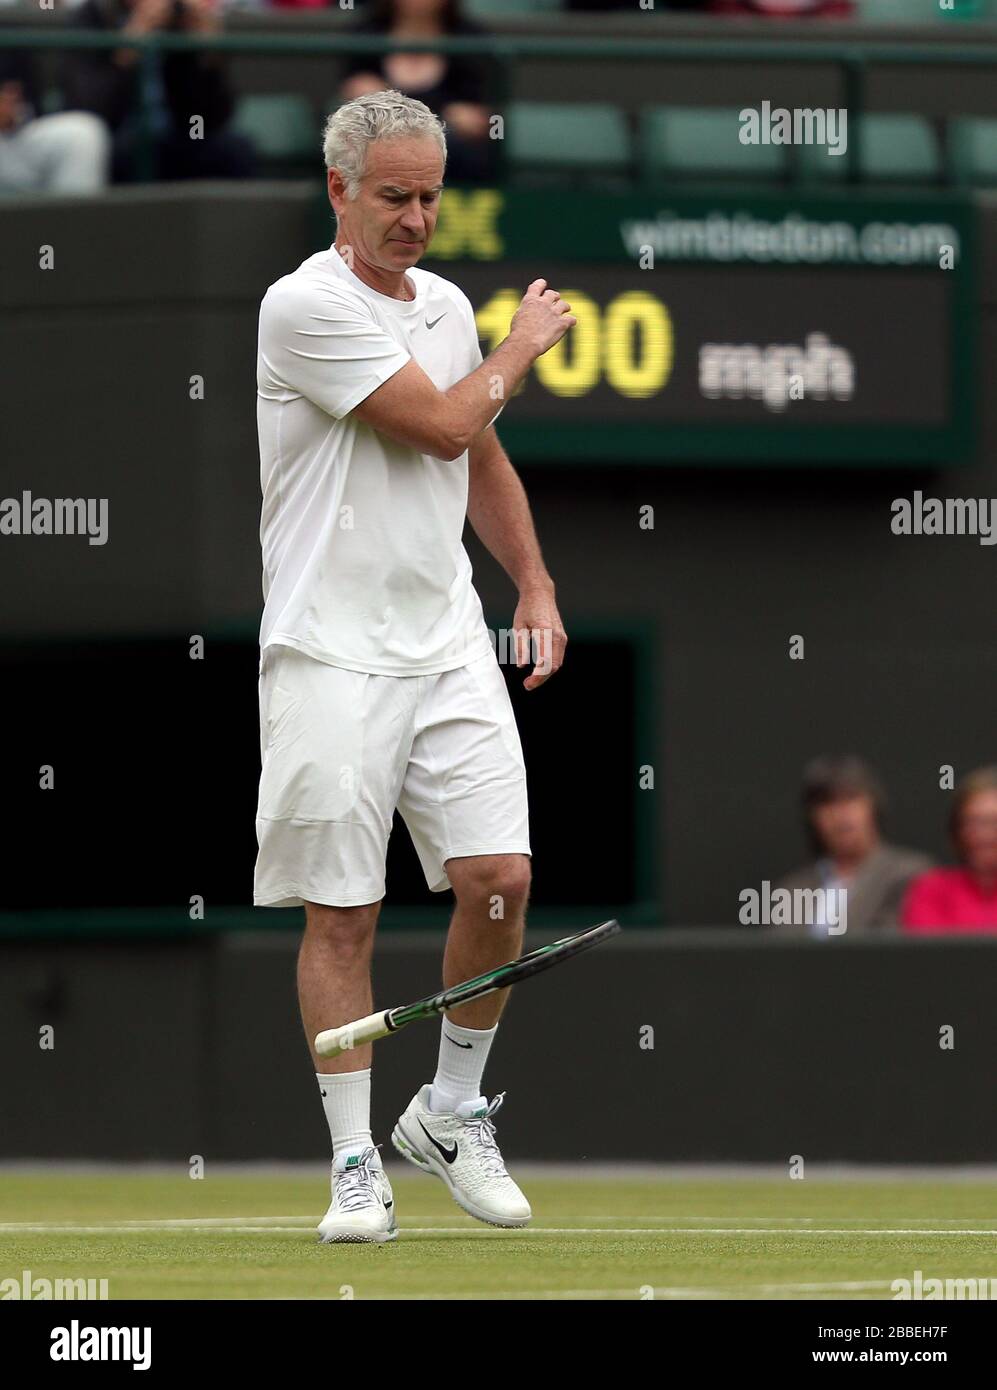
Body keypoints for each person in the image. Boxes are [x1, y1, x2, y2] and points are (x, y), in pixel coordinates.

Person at [255, 90, 573, 1242]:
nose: (417, 218)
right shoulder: (299, 307)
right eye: (394, 196)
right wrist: (523, 348)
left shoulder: (441, 304)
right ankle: (353, 1161)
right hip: (326, 649)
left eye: (432, 195)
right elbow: (443, 424)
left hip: (443, 643)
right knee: (341, 917)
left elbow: (476, 457)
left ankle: (447, 1111)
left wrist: (530, 582)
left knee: (500, 880)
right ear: (338, 190)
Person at [61, 0, 255, 182]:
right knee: (118, 153)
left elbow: (209, 119)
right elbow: (88, 110)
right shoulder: (92, 17)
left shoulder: (179, 20)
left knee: (233, 149)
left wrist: (206, 53)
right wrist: (130, 46)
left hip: (180, 135)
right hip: (116, 138)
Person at [338, 0, 496, 184]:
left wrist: (472, 119)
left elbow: (483, 116)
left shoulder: (472, 39)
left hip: (454, 156)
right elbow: (351, 98)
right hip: (376, 138)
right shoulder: (363, 34)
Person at [775, 755, 931, 934]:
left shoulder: (912, 875)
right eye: (827, 803)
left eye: (851, 799)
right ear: (812, 817)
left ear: (873, 806)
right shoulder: (792, 888)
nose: (841, 814)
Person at [902, 767, 997, 933]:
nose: (985, 834)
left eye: (993, 822)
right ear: (957, 829)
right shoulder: (931, 890)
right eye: (973, 822)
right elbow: (924, 953)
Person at [0, 51, 109, 194]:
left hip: (12, 140)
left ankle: (73, 215)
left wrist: (14, 112)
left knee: (81, 132)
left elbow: (23, 93)